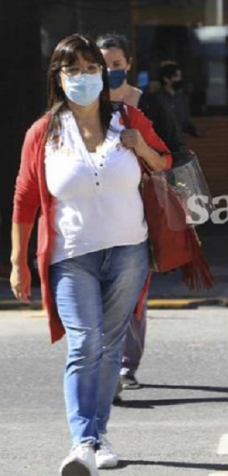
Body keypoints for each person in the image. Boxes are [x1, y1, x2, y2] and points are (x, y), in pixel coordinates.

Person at [9, 34, 171, 474]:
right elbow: (25, 199)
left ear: (104, 73)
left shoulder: (127, 117)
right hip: (71, 255)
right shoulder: (43, 132)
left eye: (90, 68)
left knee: (110, 344)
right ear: (58, 79)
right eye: (73, 70)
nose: (84, 77)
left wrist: (140, 146)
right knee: (85, 343)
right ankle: (82, 441)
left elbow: (164, 162)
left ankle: (99, 437)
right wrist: (17, 261)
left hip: (128, 251)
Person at [96, 33, 183, 400]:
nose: (109, 73)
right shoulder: (84, 106)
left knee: (132, 291)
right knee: (97, 292)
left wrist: (143, 149)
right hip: (95, 211)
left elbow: (174, 154)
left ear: (128, 65)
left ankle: (125, 366)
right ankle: (103, 365)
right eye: (102, 67)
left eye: (116, 66)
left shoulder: (150, 106)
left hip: (141, 209)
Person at [155, 61, 202, 141]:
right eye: (176, 76)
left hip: (178, 144)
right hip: (160, 143)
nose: (180, 79)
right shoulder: (156, 99)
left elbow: (185, 122)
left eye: (180, 76)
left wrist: (194, 130)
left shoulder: (182, 99)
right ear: (166, 79)